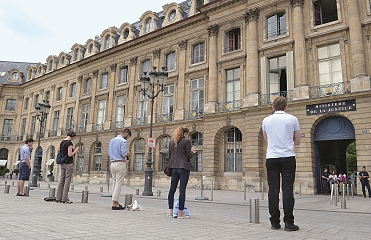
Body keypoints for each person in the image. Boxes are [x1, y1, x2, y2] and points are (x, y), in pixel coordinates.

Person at [262, 96, 301, 231]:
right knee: (287, 189)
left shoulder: (266, 120)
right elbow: (297, 141)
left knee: (273, 190)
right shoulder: (293, 119)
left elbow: (266, 139)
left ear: (273, 107)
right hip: (288, 157)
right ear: (286, 107)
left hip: (272, 157)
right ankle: (289, 223)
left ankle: (274, 222)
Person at [168, 126, 196, 219]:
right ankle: (180, 213)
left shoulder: (172, 142)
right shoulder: (186, 141)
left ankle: (171, 212)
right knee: (182, 189)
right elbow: (188, 156)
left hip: (174, 167)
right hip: (183, 167)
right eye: (187, 134)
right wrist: (193, 152)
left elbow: (169, 156)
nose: (187, 136)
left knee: (172, 189)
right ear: (185, 133)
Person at [108, 128, 131, 210]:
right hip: (120, 163)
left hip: (112, 163)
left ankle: (115, 202)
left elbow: (109, 153)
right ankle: (115, 202)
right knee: (118, 184)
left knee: (114, 183)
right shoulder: (123, 141)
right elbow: (123, 153)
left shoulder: (111, 140)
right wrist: (128, 154)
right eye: (128, 136)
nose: (127, 138)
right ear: (126, 134)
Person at [56, 131, 79, 203]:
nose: (73, 139)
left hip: (62, 163)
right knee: (67, 181)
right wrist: (75, 151)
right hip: (68, 163)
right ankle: (65, 198)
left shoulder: (62, 142)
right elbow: (70, 154)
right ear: (72, 137)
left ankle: (58, 197)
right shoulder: (69, 143)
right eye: (74, 138)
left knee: (61, 180)